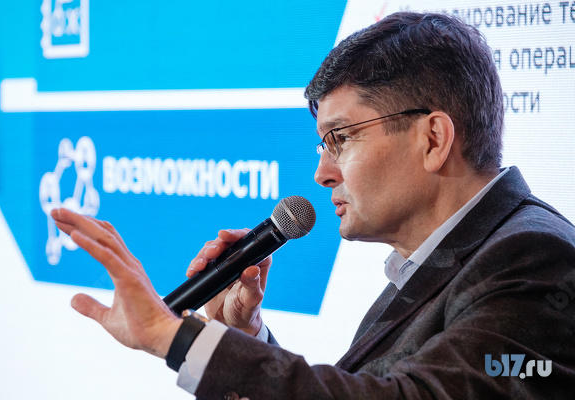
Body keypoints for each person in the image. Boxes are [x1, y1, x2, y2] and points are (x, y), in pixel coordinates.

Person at [51, 11, 575, 399]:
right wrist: (243, 336)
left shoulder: (534, 260)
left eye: (340, 138)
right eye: (323, 144)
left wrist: (176, 336)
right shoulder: (452, 259)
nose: (322, 173)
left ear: (433, 139)